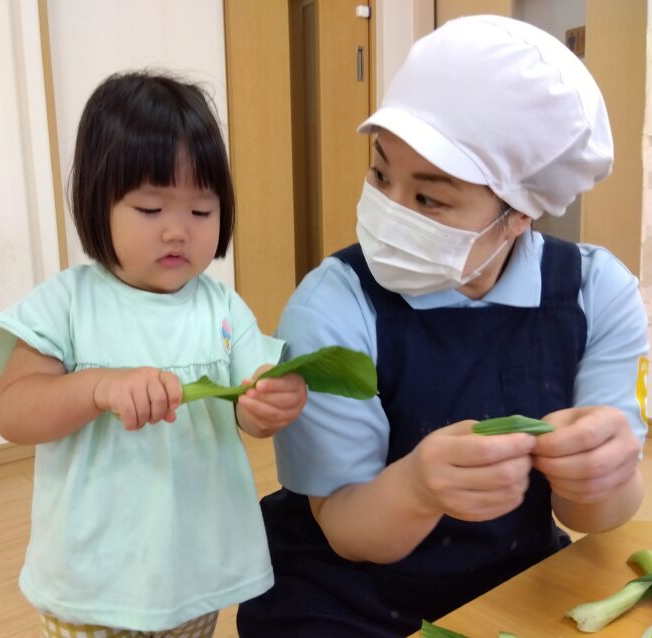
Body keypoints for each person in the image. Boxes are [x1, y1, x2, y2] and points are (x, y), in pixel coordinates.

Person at [237, 15, 648, 638]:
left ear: (518, 215)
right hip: (341, 594)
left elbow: (597, 515)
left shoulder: (598, 294)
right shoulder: (333, 305)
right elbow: (345, 528)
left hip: (514, 578)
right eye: (380, 174)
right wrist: (419, 488)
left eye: (429, 199)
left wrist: (604, 473)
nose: (388, 210)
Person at [0, 71, 307, 638]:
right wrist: (98, 386)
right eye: (152, 211)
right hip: (92, 584)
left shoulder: (221, 308)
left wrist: (269, 401)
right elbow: (13, 410)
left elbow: (252, 394)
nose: (178, 231)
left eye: (202, 212)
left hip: (193, 574)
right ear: (96, 203)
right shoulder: (69, 303)